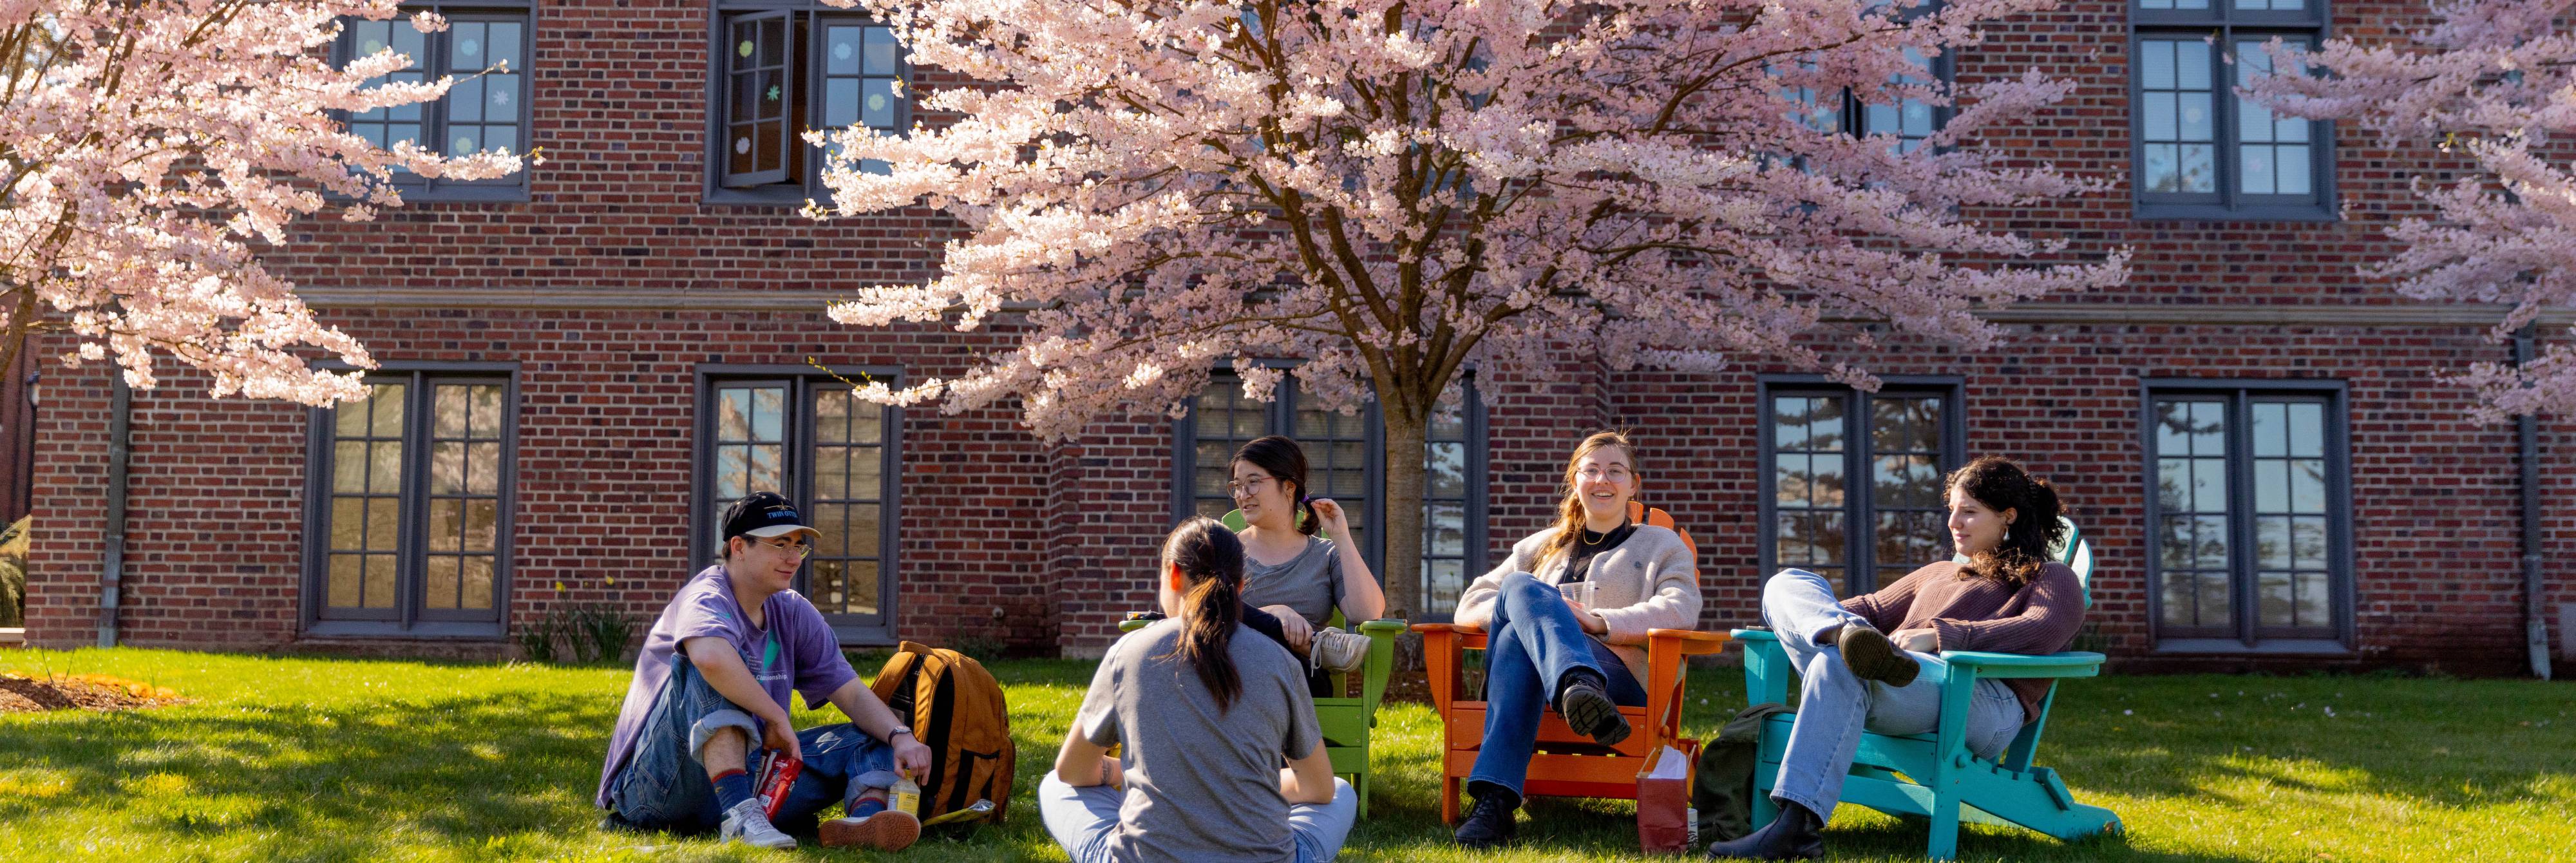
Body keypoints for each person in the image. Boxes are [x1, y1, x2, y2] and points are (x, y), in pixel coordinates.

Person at [1707, 456, 2085, 860]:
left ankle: (1793, 828)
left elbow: (2042, 630)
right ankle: (1795, 829)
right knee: (1789, 585)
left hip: (1977, 697)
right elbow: (1869, 606)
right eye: (1952, 510)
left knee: (1838, 663)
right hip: (1901, 681)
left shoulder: (2049, 577)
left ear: (2007, 516)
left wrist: (1938, 636)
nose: (1954, 522)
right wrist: (1801, 618)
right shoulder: (1939, 572)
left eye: (1969, 512)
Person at [596, 491, 933, 851]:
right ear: (739, 546)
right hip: (663, 787)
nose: (793, 558)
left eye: (798, 546)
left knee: (872, 735)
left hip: (751, 772)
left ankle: (865, 820)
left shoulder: (791, 610)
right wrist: (773, 714)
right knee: (711, 662)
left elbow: (848, 690)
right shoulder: (706, 597)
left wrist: (901, 736)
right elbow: (710, 658)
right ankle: (740, 816)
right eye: (779, 545)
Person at [1043, 517, 1359, 862]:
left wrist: (1120, 773)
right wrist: (1243, 785)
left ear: (1174, 574)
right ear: (1241, 587)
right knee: (1342, 792)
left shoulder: (1130, 652)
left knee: (1055, 787)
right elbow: (1319, 788)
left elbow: (1071, 771)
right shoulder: (1280, 661)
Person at [1448, 430, 1703, 848]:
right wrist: (1532, 611)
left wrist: (1600, 622)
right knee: (1518, 603)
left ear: (1633, 485)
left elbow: (1680, 607)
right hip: (1545, 682)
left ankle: (1494, 804)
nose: (1603, 480)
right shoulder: (1539, 547)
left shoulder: (1662, 545)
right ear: (1576, 479)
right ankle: (1574, 683)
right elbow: (1471, 603)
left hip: (1617, 677)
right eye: (1592, 470)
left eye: (1615, 471)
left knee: (1517, 623)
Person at [1225, 435, 1384, 678]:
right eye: (1237, 485)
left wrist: (1342, 538)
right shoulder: (1225, 552)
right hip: (1237, 672)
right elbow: (1205, 615)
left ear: (1289, 486)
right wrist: (1273, 613)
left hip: (1303, 677)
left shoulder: (1325, 555)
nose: (1242, 494)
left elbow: (1368, 613)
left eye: (1253, 482)